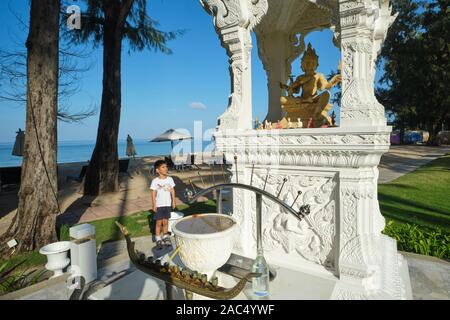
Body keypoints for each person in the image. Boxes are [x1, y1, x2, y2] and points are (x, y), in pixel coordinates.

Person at [150, 160, 176, 249]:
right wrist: (154, 204)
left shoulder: (170, 179)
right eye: (163, 167)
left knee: (166, 222)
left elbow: (172, 190)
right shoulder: (155, 181)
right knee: (158, 222)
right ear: (158, 170)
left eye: (166, 167)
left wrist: (173, 201)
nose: (166, 168)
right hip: (159, 205)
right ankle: (158, 238)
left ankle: (165, 236)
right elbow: (153, 193)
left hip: (167, 204)